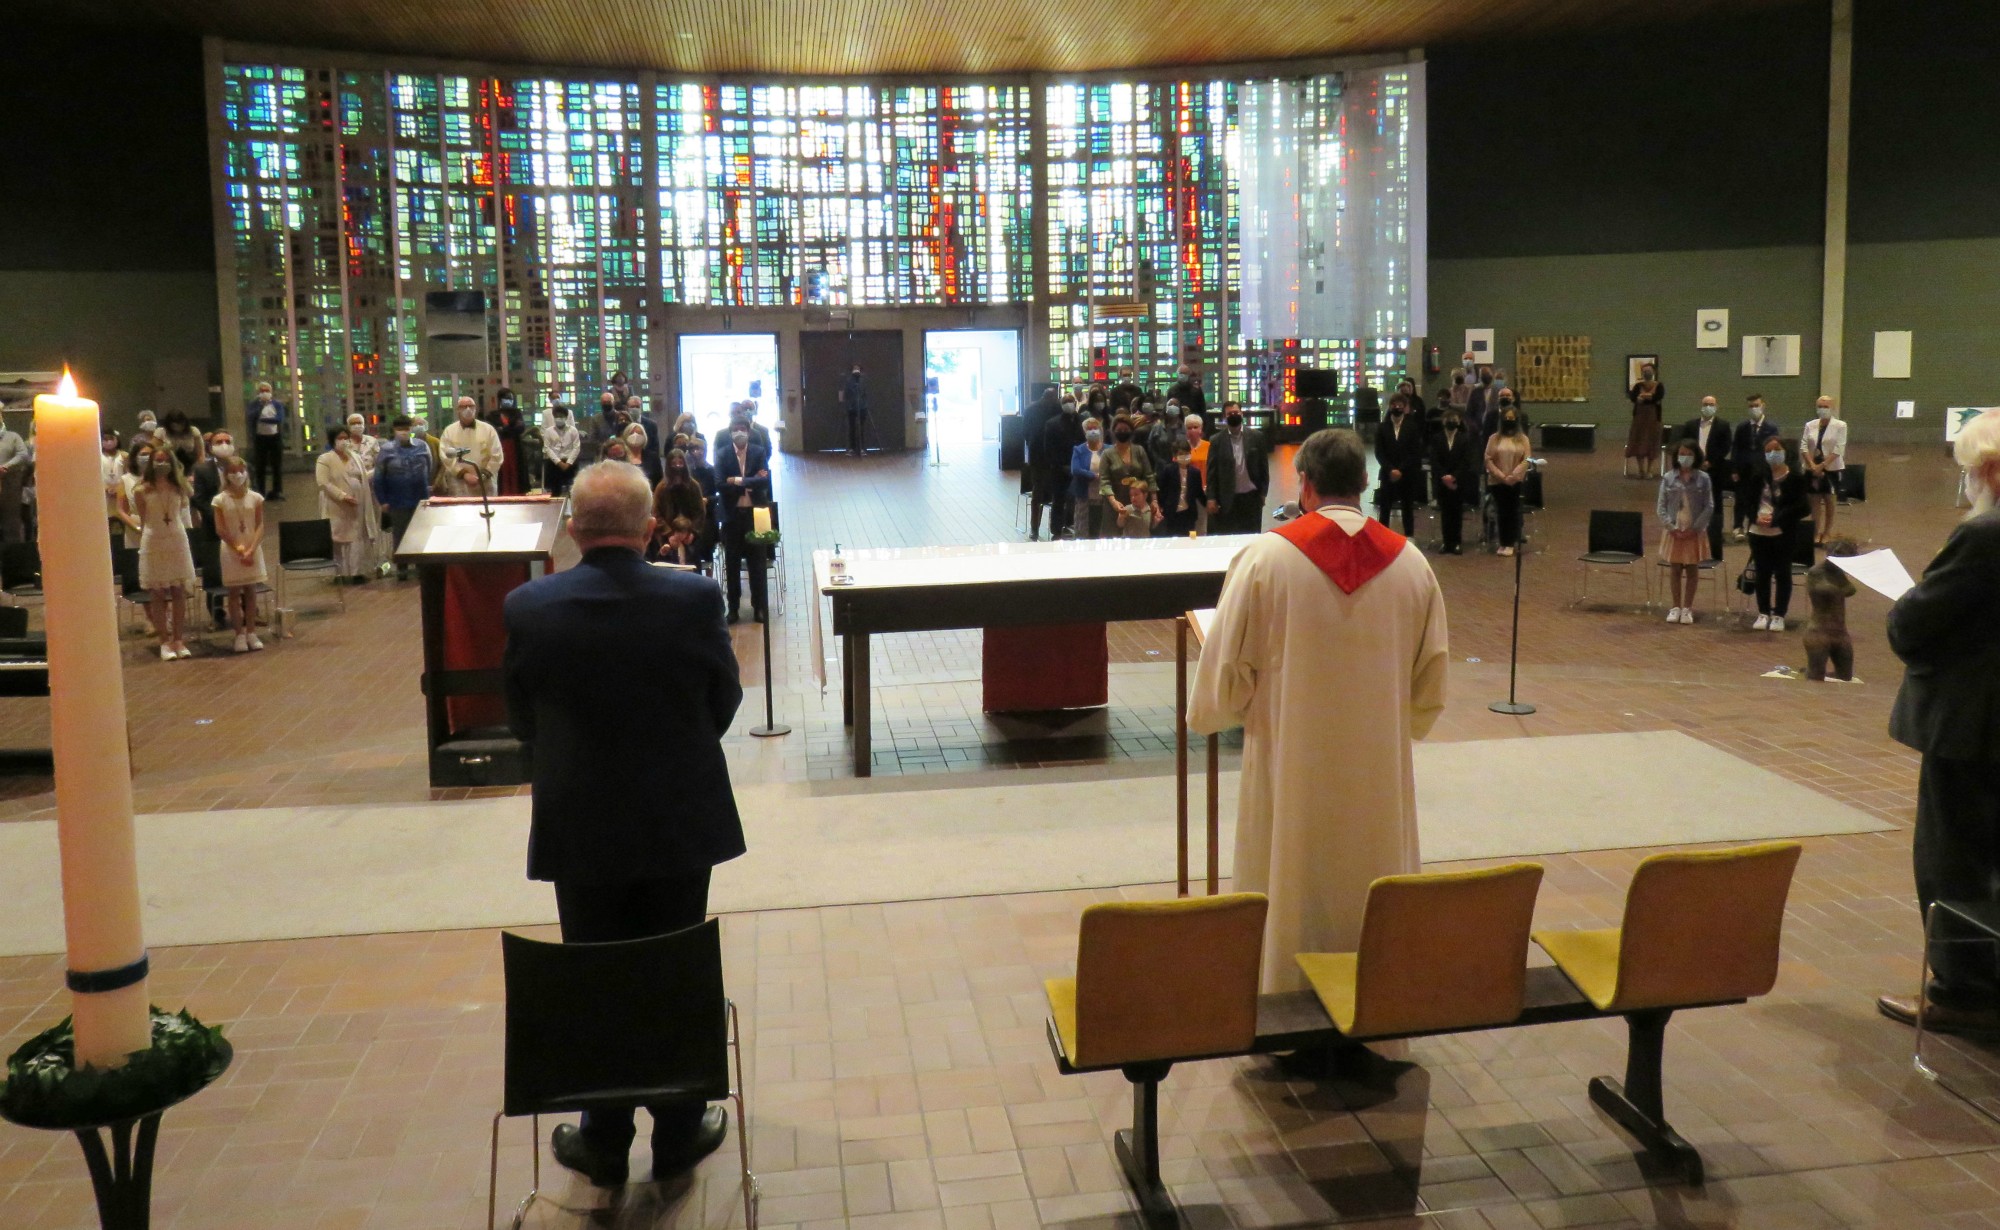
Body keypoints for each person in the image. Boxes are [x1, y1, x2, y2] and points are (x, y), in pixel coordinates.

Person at [502, 461, 743, 1188]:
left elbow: (520, 718)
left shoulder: (529, 607)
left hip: (580, 825)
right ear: (648, 529)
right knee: (672, 963)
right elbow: (723, 699)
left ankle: (602, 1137)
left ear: (572, 527)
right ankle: (678, 1128)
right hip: (676, 817)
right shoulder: (694, 598)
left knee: (595, 970)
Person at [1188, 428, 1447, 995]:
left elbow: (1223, 671)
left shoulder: (1265, 559)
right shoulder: (1411, 564)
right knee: (1374, 875)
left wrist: (1219, 710)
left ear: (1304, 485)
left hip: (1290, 762)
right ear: (1364, 482)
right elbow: (1430, 685)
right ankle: (1374, 1005)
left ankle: (1287, 1009)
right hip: (1376, 770)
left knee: (1288, 877)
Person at [1875, 409, 2000, 1034]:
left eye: (1971, 472)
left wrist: (1904, 603)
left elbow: (1916, 624)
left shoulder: (1986, 535)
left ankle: (1965, 992)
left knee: (1953, 861)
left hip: (1973, 725)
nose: (1969, 485)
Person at [134, 450, 197, 661]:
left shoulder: (180, 487)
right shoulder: (142, 490)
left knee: (178, 590)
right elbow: (144, 521)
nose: (162, 463)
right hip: (154, 540)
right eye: (158, 460)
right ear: (151, 463)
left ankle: (178, 639)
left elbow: (185, 510)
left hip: (177, 539)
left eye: (165, 459)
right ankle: (164, 641)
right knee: (158, 593)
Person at [1743, 437, 1809, 632]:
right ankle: (1763, 612)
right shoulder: (1758, 476)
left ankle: (1779, 614)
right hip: (1758, 532)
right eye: (1769, 450)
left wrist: (1778, 518)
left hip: (1783, 532)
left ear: (1785, 452)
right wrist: (1756, 518)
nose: (1773, 454)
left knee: (1782, 573)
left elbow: (1802, 507)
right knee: (1762, 573)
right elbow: (1747, 503)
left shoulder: (1796, 478)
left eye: (1777, 450)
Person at [714, 420, 772, 622]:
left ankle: (759, 607)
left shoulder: (758, 451)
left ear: (749, 432)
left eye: (743, 430)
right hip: (732, 517)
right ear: (731, 433)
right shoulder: (722, 454)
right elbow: (720, 483)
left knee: (757, 564)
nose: (740, 433)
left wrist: (737, 480)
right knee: (732, 564)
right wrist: (750, 480)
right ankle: (734, 608)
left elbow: (764, 481)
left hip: (754, 515)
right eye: (736, 430)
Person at [210, 457, 268, 653]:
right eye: (233, 471)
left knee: (251, 591)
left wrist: (251, 549)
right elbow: (220, 528)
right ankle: (239, 634)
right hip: (231, 549)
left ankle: (251, 631)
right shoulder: (219, 500)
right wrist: (238, 548)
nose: (238, 475)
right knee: (234, 592)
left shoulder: (256, 497)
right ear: (226, 475)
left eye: (241, 471)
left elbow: (260, 525)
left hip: (252, 547)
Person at [1657, 441, 1714, 625]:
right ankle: (1675, 607)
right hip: (1674, 531)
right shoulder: (1668, 478)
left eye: (1689, 454)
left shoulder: (1703, 478)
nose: (1685, 458)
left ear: (1695, 456)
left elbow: (1709, 506)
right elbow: (1661, 507)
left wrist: (1694, 529)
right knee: (1674, 569)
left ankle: (1687, 608)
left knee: (1691, 568)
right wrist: (1671, 527)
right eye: (1682, 453)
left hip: (1694, 531)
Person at [372, 417, 434, 579]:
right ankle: (402, 569)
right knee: (400, 534)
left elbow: (430, 467)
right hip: (397, 499)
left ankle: (421, 566)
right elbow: (379, 477)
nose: (404, 432)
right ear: (394, 430)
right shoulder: (386, 450)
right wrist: (383, 499)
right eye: (400, 429)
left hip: (420, 498)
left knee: (421, 533)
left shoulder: (422, 446)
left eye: (406, 428)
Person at [1677, 396, 1732, 561]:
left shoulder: (1723, 426)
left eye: (1711, 404)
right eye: (1705, 404)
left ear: (1716, 406)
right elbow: (1685, 444)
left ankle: (1715, 533)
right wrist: (1695, 463)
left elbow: (1725, 447)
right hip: (1694, 468)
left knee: (1715, 501)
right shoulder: (1690, 425)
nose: (1708, 407)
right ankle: (1693, 529)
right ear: (1701, 406)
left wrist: (1710, 462)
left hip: (1714, 469)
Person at [317, 430, 375, 582]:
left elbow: (361, 476)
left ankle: (357, 572)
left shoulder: (355, 457)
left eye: (346, 438)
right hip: (336, 505)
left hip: (358, 503)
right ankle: (340, 574)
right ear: (333, 440)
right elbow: (323, 482)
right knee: (339, 539)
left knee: (356, 537)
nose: (344, 441)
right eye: (340, 438)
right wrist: (343, 496)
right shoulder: (325, 459)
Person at [1206, 404, 1269, 534]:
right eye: (1229, 414)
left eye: (1236, 412)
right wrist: (1211, 498)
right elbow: (1211, 472)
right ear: (1224, 417)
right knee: (1228, 535)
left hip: (1251, 497)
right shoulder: (1216, 440)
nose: (1233, 415)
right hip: (1227, 498)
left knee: (1252, 536)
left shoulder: (1257, 437)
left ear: (1242, 414)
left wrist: (1263, 493)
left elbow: (1264, 468)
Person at [1802, 538, 1858, 682]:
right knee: (1816, 676)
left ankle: (1810, 669)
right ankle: (1809, 671)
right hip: (1819, 632)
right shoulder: (1816, 572)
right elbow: (1823, 589)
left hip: (1840, 632)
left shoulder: (1839, 573)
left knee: (1846, 676)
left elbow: (1850, 590)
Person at [1373, 393, 1426, 538]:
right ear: (1390, 407)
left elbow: (1414, 452)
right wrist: (1390, 469)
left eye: (1400, 405)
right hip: (1387, 473)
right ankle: (1383, 538)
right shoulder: (1382, 427)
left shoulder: (1412, 427)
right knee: (1385, 508)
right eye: (1394, 405)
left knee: (1407, 507)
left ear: (1405, 407)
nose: (1397, 408)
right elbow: (1379, 452)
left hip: (1407, 474)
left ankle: (1409, 537)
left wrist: (1400, 469)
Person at [1730, 395, 1781, 540]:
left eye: (1756, 405)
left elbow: (1774, 448)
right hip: (1743, 470)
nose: (1754, 409)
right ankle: (1738, 527)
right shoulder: (1742, 427)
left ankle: (1752, 524)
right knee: (1740, 499)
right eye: (1751, 406)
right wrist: (1734, 469)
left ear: (1763, 406)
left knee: (1758, 498)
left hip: (1762, 470)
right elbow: (1736, 449)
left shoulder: (1771, 427)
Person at [1429, 409, 1479, 555]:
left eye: (1454, 419)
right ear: (1443, 421)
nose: (1451, 422)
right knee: (1445, 513)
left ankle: (1456, 542)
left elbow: (1466, 461)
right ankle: (1446, 542)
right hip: (1442, 482)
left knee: (1457, 513)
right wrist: (1444, 476)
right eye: (1448, 419)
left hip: (1458, 482)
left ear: (1459, 422)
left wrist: (1454, 476)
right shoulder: (1436, 438)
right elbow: (1434, 459)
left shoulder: (1465, 438)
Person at [1801, 395, 1848, 545]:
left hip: (1831, 468)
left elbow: (1838, 448)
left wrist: (1822, 466)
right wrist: (1812, 465)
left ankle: (1827, 533)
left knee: (1829, 501)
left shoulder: (1840, 425)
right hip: (1811, 467)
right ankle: (1815, 532)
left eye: (1825, 406)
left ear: (1832, 408)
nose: (1822, 409)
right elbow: (1803, 446)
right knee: (1814, 502)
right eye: (1820, 406)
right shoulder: (1810, 425)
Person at [1484, 408, 1530, 555]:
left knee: (1512, 511)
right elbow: (1488, 458)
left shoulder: (1523, 439)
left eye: (1512, 418)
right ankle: (1502, 543)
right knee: (1501, 511)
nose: (1509, 421)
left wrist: (1513, 476)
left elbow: (1526, 460)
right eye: (1506, 418)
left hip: (1515, 481)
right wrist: (1501, 476)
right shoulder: (1494, 438)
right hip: (1497, 481)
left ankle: (1510, 543)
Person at [655, 448, 710, 568]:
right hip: (668, 538)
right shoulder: (661, 487)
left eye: (680, 463)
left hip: (690, 537)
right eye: (673, 464)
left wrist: (692, 532)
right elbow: (656, 513)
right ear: (668, 465)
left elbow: (700, 512)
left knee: (693, 569)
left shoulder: (693, 485)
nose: (677, 466)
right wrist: (669, 534)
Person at [1099, 415, 1155, 532]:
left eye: (1126, 430)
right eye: (1119, 430)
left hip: (1138, 504)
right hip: (1114, 504)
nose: (1123, 432)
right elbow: (1104, 481)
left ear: (1131, 431)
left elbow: (1149, 476)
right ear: (1113, 432)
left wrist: (1154, 500)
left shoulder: (1139, 450)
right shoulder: (1107, 454)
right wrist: (1114, 502)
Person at [439, 396, 503, 496]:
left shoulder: (488, 429)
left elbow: (497, 455)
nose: (468, 409)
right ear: (458, 410)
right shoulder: (449, 431)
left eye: (471, 406)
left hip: (486, 481)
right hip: (460, 483)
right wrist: (464, 474)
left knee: (487, 509)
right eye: (464, 407)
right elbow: (446, 456)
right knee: (461, 510)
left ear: (475, 408)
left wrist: (483, 475)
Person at [1040, 398, 1085, 539]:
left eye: (1071, 402)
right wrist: (1061, 465)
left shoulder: (1083, 421)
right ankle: (1057, 530)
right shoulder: (1052, 424)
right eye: (1066, 402)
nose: (1069, 405)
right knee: (1059, 499)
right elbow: (1049, 449)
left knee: (1078, 499)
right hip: (1059, 469)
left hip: (1079, 467)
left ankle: (1073, 525)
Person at [1022, 388, 1060, 541]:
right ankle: (1055, 529)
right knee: (1055, 494)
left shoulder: (1030, 409)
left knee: (1037, 493)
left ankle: (1034, 529)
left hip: (1036, 456)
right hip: (1054, 457)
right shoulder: (1058, 408)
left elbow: (1025, 433)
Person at [246, 381, 288, 498]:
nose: (264, 393)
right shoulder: (254, 404)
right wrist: (261, 407)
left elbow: (278, 419)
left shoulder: (277, 404)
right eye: (262, 391)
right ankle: (260, 490)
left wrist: (263, 420)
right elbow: (251, 416)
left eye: (267, 391)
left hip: (275, 438)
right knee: (260, 465)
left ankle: (277, 490)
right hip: (260, 438)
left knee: (276, 465)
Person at [1069, 417, 1107, 539]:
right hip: (1084, 495)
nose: (1092, 431)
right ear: (1084, 431)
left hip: (1104, 495)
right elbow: (1075, 469)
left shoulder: (1109, 449)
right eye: (1089, 429)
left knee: (1101, 527)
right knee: (1083, 529)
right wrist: (1093, 475)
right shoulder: (1078, 450)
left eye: (1095, 428)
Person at [1156, 442, 1204, 537]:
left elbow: (1199, 493)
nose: (1185, 456)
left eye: (1187, 453)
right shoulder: (1168, 470)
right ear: (1175, 456)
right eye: (1181, 454)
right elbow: (1161, 490)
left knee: (1191, 540)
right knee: (1172, 540)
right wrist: (1161, 506)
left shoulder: (1195, 472)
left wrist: (1209, 503)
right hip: (1172, 514)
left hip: (1189, 515)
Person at [1625, 363, 1664, 479]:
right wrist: (1648, 398)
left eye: (1649, 370)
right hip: (1639, 419)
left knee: (1652, 443)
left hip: (1653, 419)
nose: (1647, 372)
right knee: (1639, 442)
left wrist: (1644, 398)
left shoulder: (1659, 385)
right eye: (1645, 371)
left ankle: (1649, 469)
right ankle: (1641, 469)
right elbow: (1633, 398)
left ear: (1654, 372)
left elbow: (1658, 398)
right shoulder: (1637, 385)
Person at [491, 388, 526, 494]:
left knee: (516, 472)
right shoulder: (493, 415)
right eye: (506, 398)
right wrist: (511, 426)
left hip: (515, 447)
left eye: (510, 398)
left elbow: (520, 428)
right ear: (500, 400)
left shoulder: (517, 413)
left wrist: (504, 428)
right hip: (500, 446)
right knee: (502, 473)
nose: (508, 400)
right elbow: (495, 431)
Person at [541, 404, 581, 497]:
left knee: (573, 490)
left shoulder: (573, 430)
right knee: (555, 491)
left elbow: (576, 448)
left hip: (570, 462)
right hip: (554, 463)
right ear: (554, 417)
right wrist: (559, 462)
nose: (559, 418)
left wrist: (568, 463)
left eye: (561, 416)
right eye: (557, 416)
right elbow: (547, 448)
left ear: (566, 417)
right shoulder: (548, 431)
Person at [0, 417, 28, 544]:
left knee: (11, 523)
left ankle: (13, 557)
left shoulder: (13, 437)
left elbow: (22, 455)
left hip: (9, 488)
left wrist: (7, 466)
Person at [100, 430, 127, 541]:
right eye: (105, 439)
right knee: (105, 526)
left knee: (123, 522)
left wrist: (119, 489)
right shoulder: (96, 456)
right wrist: (105, 488)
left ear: (117, 440)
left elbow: (129, 475)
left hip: (121, 495)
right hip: (104, 496)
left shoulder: (124, 456)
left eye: (111, 439)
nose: (108, 442)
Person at [841, 364, 868, 456]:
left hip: (861, 407)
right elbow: (847, 394)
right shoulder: (849, 381)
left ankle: (861, 448)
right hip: (852, 408)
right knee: (852, 428)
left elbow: (865, 393)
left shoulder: (862, 381)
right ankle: (852, 448)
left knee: (861, 429)